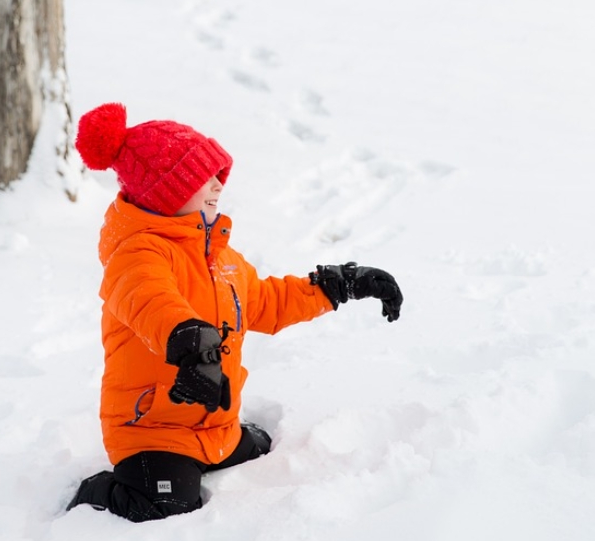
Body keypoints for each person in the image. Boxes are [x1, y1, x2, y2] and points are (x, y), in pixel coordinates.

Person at [66, 102, 403, 522]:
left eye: (217, 176)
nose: (216, 186)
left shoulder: (220, 258)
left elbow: (267, 302)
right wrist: (189, 339)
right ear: (164, 193)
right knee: (166, 507)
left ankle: (223, 443)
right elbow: (151, 302)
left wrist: (338, 285)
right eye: (201, 179)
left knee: (263, 452)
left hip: (216, 428)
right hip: (153, 432)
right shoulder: (135, 255)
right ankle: (98, 491)